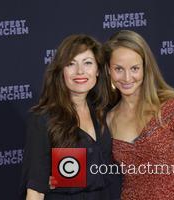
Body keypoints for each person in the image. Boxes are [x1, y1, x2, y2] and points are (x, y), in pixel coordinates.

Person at [103, 30, 174, 200]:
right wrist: (60, 179)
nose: (127, 77)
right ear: (108, 70)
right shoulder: (109, 119)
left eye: (134, 68)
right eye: (118, 69)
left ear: (146, 68)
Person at [20, 34, 121, 200]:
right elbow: (35, 190)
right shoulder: (43, 119)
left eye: (87, 63)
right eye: (71, 64)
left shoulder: (105, 109)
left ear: (98, 70)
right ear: (61, 71)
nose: (80, 71)